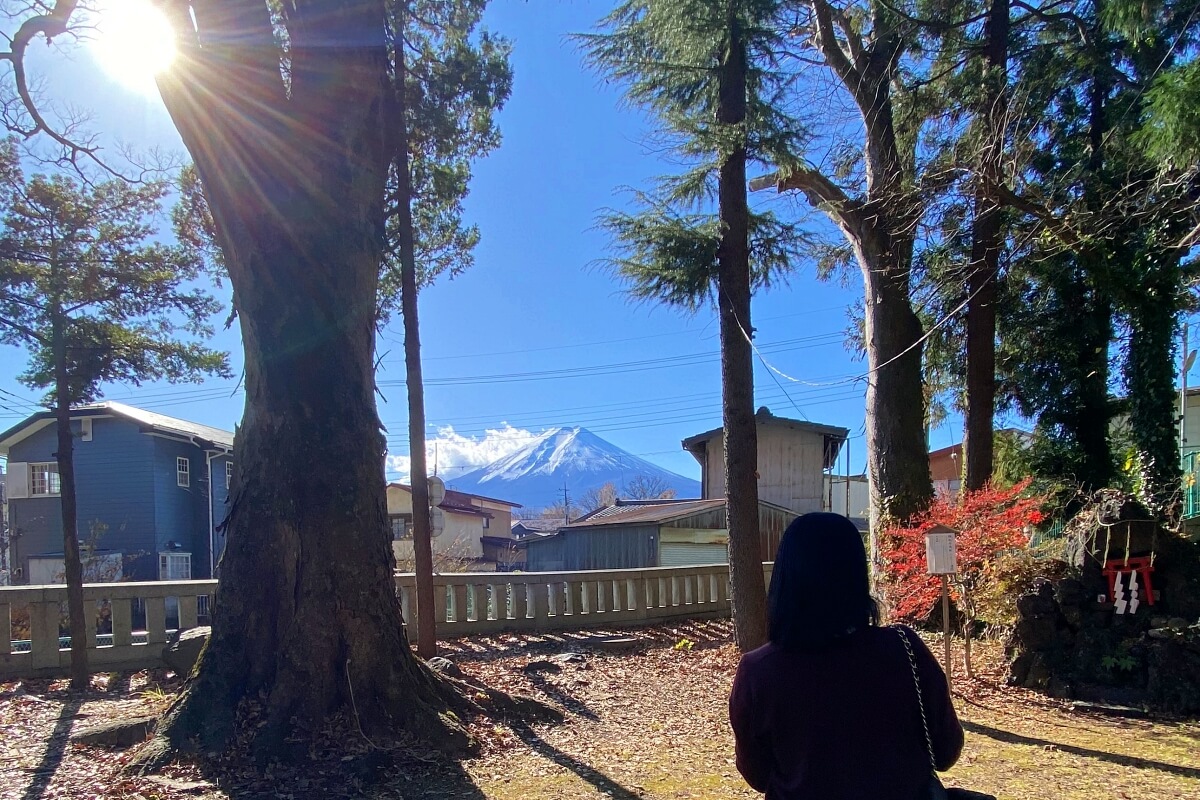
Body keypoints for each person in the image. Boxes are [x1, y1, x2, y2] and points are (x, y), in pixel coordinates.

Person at [729, 512, 964, 799]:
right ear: (856, 575)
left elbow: (758, 774)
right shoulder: (904, 649)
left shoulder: (759, 671)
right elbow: (946, 749)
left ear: (784, 580)